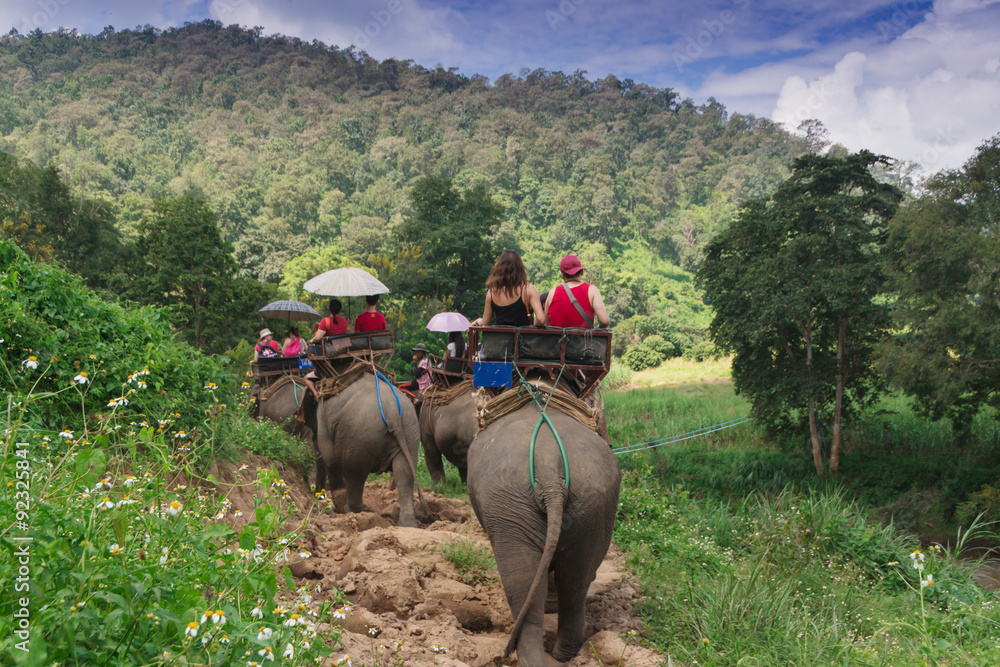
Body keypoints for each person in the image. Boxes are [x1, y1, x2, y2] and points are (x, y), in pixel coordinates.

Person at [471, 249, 546, 327]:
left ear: (499, 268)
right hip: (521, 338)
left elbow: (485, 323)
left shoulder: (492, 292)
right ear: (520, 268)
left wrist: (478, 321)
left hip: (499, 339)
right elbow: (541, 319)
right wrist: (533, 328)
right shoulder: (528, 289)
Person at [544, 254, 611, 329]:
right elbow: (605, 321)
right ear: (582, 272)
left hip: (557, 340)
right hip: (584, 340)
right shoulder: (591, 290)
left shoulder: (552, 293)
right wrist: (596, 331)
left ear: (562, 275)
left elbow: (547, 325)